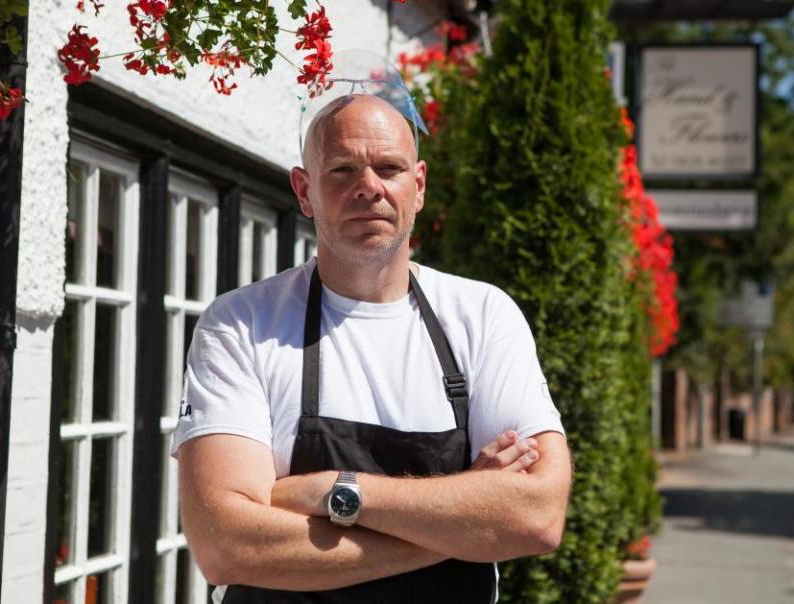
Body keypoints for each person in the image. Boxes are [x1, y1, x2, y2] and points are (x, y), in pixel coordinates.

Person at [172, 93, 571, 603]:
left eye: (389, 167)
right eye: (341, 170)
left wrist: (332, 493)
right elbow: (227, 546)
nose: (369, 188)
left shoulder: (482, 316)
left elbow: (536, 517)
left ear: (419, 185)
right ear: (304, 190)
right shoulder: (242, 324)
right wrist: (464, 522)